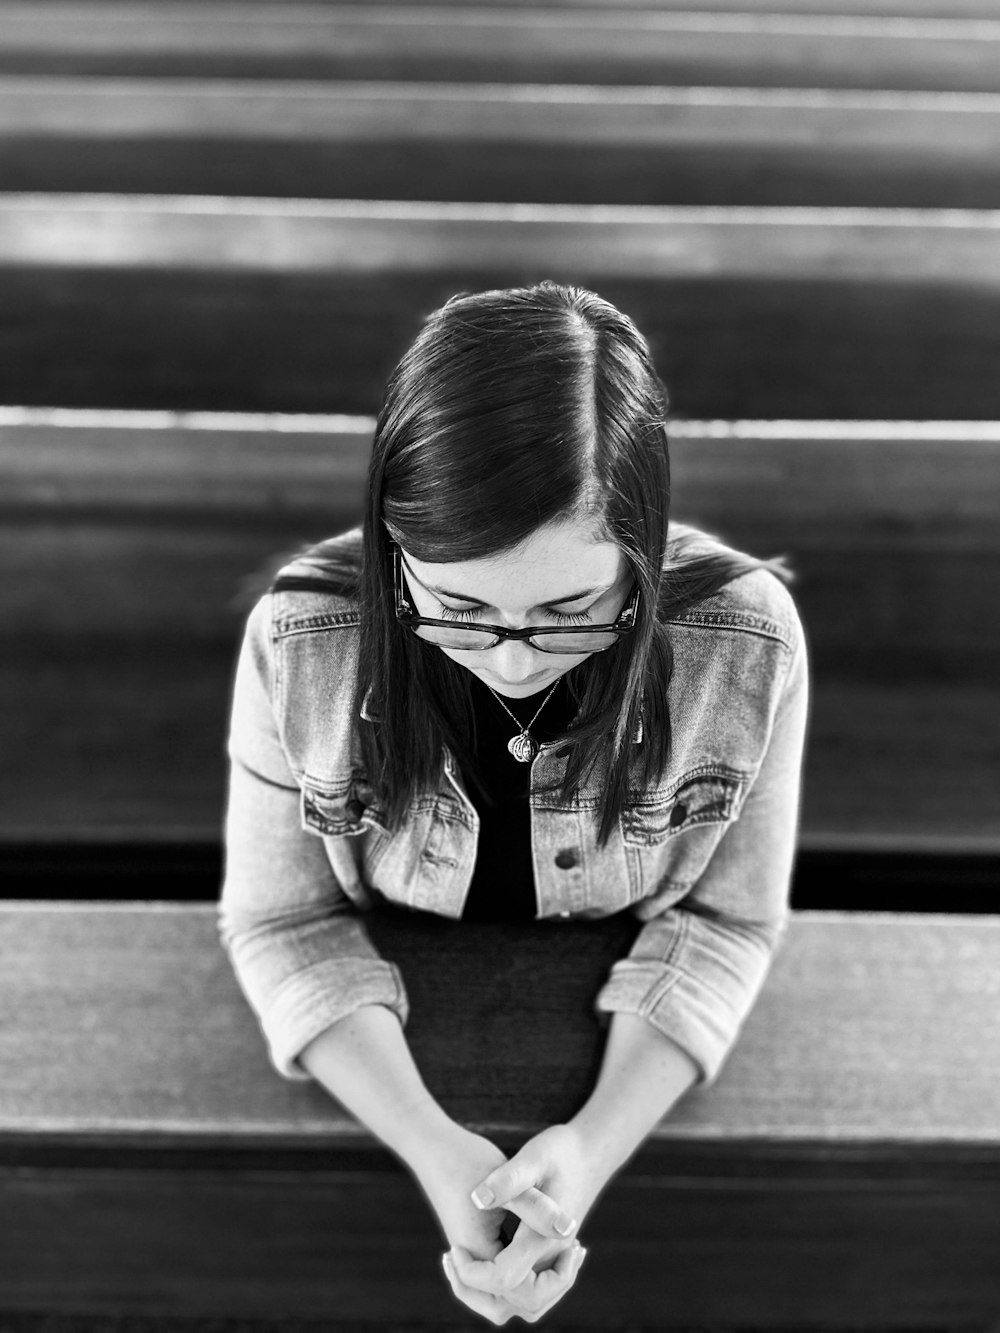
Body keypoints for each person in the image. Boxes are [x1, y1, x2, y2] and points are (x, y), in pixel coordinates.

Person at [219, 281, 809, 1325]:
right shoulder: (303, 635)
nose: (510, 661)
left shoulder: (745, 638)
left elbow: (727, 917)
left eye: (571, 610)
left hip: (620, 1042)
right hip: (396, 1043)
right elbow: (281, 915)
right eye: (455, 607)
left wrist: (587, 1146)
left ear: (643, 550)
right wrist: (436, 1146)